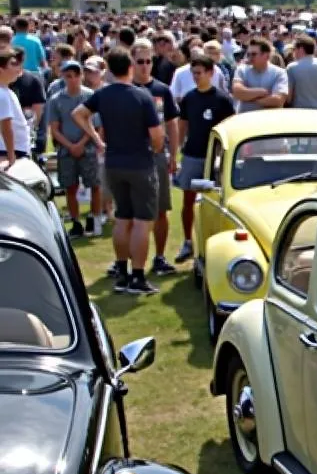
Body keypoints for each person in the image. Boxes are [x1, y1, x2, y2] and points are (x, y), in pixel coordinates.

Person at [71, 47, 162, 296]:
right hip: (140, 163)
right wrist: (155, 149)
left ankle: (122, 272)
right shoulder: (142, 96)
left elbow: (78, 114)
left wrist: (97, 140)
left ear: (109, 69)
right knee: (143, 221)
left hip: (114, 163)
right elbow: (157, 137)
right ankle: (138, 276)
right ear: (130, 67)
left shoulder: (102, 95)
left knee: (123, 218)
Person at [174, 55, 236, 265]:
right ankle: (187, 242)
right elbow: (182, 125)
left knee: (214, 203)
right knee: (188, 201)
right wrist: (178, 149)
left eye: (199, 73)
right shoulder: (189, 98)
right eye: (194, 73)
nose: (196, 77)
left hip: (214, 158)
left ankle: (213, 245)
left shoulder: (222, 100)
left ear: (211, 73)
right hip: (192, 155)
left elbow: (229, 129)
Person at [131, 41, 180, 276]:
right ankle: (131, 261)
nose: (144, 66)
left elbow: (172, 124)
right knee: (130, 212)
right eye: (140, 61)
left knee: (161, 209)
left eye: (148, 61)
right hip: (131, 156)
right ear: (131, 63)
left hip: (158, 155)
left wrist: (174, 154)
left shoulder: (162, 90)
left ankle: (160, 257)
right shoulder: (124, 89)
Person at [48, 60, 101, 238]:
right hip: (66, 150)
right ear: (63, 76)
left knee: (94, 185)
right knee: (70, 186)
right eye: (68, 76)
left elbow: (96, 125)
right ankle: (76, 222)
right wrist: (70, 146)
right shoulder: (56, 100)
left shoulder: (90, 96)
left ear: (81, 76)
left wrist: (82, 143)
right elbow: (54, 129)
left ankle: (94, 219)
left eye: (76, 75)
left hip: (88, 148)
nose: (73, 79)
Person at [233, 37, 288, 113]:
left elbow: (278, 100)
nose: (249, 57)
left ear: (266, 56)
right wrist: (262, 92)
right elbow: (237, 92)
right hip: (245, 120)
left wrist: (248, 98)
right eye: (248, 54)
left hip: (269, 121)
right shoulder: (241, 70)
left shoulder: (279, 73)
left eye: (254, 54)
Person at [0, 49, 32, 165]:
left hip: (16, 150)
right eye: (13, 64)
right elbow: (6, 127)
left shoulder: (7, 91)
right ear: (1, 69)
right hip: (8, 152)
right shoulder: (2, 94)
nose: (18, 68)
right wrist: (11, 155)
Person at [287, 35, 317, 109]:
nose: (293, 52)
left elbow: (288, 97)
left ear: (301, 49)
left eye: (294, 49)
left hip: (298, 112)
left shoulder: (291, 67)